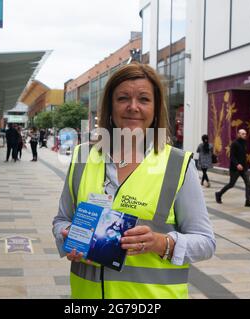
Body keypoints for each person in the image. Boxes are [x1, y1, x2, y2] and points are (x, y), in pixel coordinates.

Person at [52, 63, 215, 299]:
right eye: (123, 98)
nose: (133, 107)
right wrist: (67, 234)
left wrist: (161, 243)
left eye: (144, 99)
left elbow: (206, 242)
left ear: (156, 108)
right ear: (110, 106)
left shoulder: (178, 165)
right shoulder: (82, 157)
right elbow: (62, 219)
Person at [215, 129, 250, 208]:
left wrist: (244, 165)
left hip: (244, 168)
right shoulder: (234, 144)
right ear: (239, 134)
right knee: (231, 184)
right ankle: (219, 194)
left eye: (245, 133)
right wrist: (237, 164)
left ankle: (248, 201)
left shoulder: (244, 143)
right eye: (242, 134)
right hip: (235, 169)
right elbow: (232, 156)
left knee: (248, 184)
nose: (244, 135)